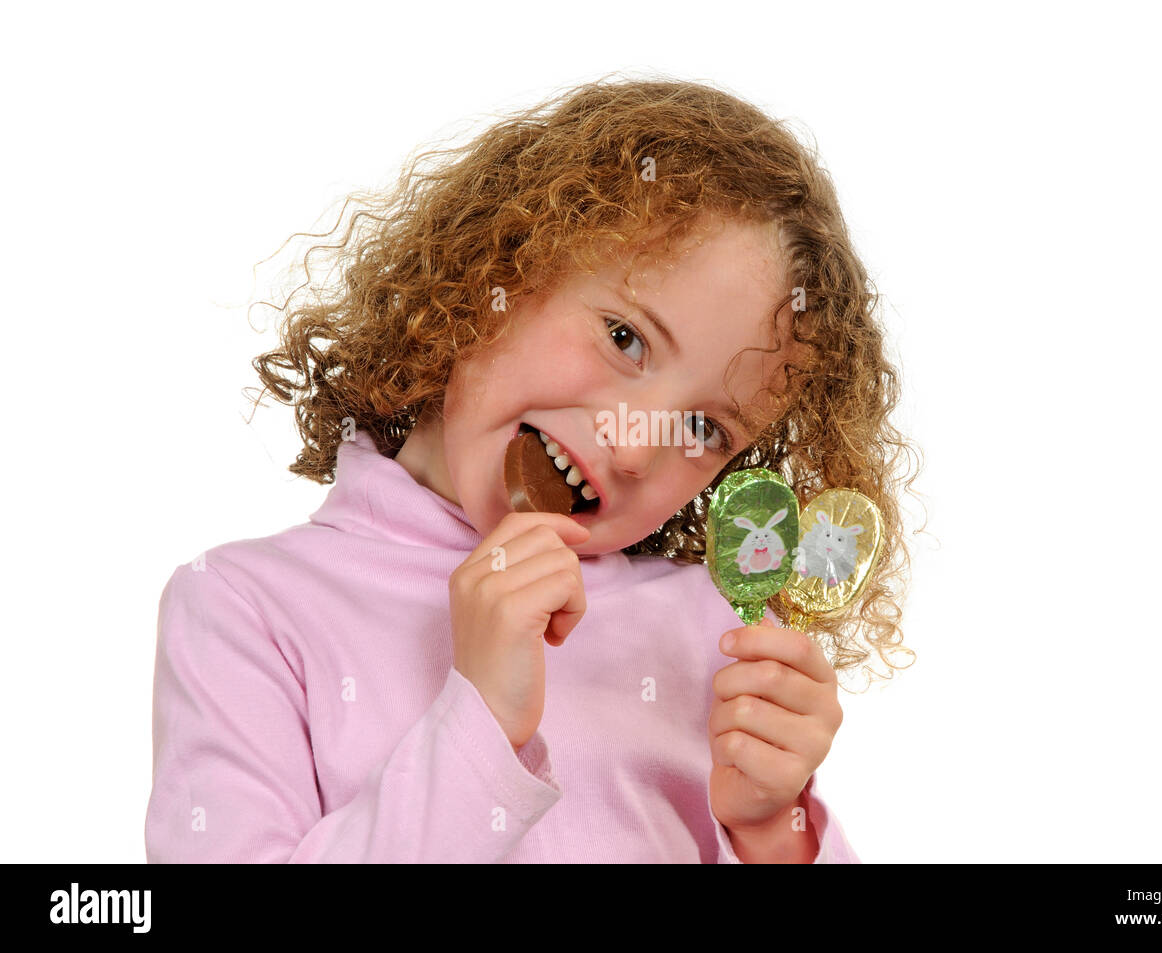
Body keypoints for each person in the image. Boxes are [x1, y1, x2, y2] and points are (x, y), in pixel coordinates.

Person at [145, 76, 917, 863]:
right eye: (625, 338)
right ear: (497, 268)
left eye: (704, 427)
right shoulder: (245, 610)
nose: (633, 445)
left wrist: (772, 829)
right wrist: (478, 725)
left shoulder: (709, 638)